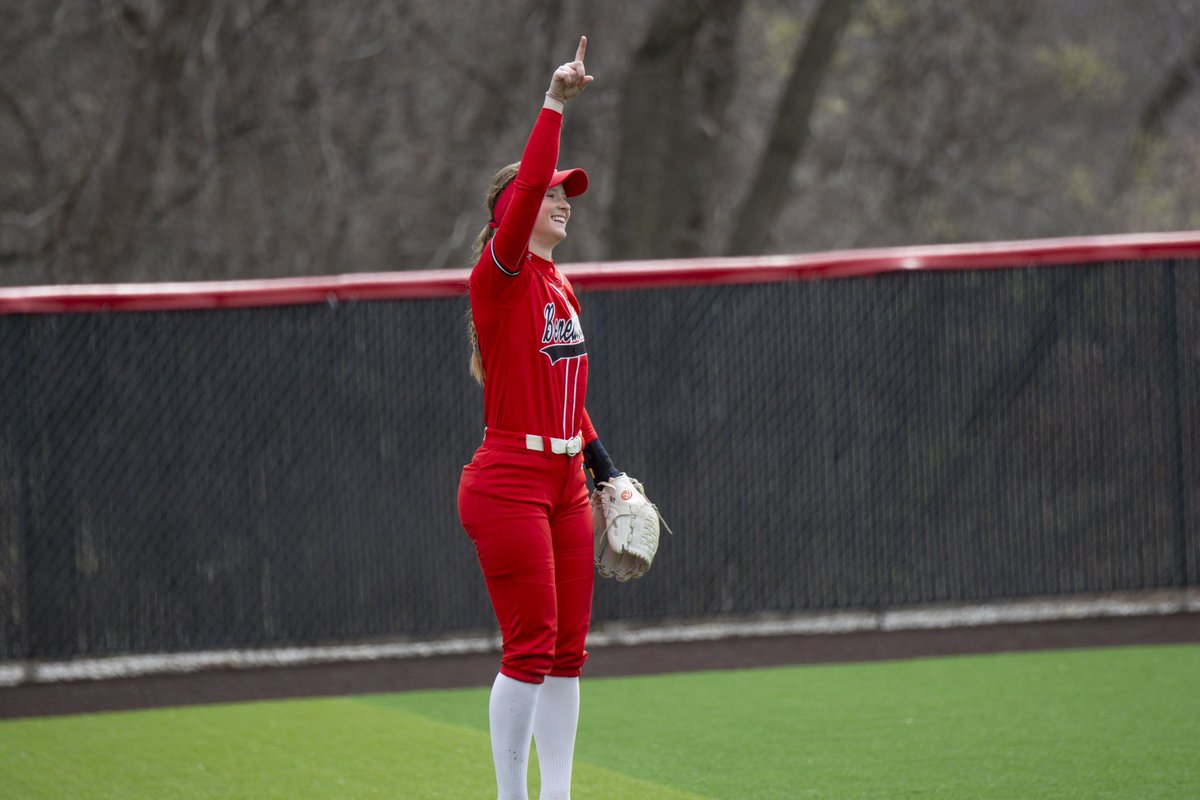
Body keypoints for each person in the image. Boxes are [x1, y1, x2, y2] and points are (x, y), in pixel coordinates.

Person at [457, 36, 623, 800]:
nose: (561, 199)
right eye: (552, 192)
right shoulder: (503, 275)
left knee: (568, 652)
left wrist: (607, 471)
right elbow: (523, 193)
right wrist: (554, 103)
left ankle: (557, 794)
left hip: (561, 479)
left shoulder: (559, 285)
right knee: (528, 649)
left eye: (567, 194)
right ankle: (512, 797)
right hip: (508, 480)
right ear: (511, 216)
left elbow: (572, 401)